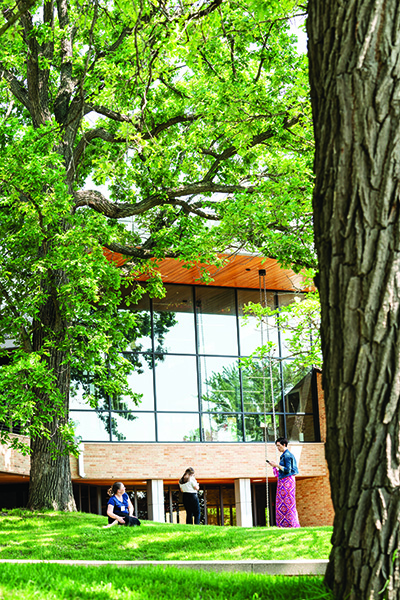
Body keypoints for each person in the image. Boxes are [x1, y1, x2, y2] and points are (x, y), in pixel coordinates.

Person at [267, 437, 300, 528]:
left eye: (279, 446)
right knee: (283, 502)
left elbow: (287, 470)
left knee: (288, 502)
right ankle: (284, 523)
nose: (278, 448)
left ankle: (290, 523)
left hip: (287, 481)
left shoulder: (287, 455)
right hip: (284, 481)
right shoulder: (284, 455)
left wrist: (276, 465)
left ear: (284, 445)